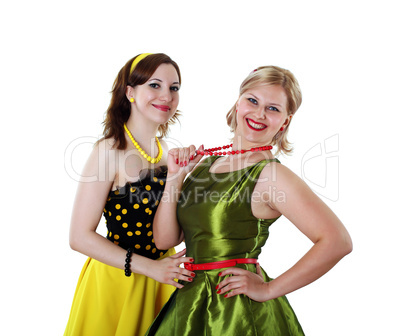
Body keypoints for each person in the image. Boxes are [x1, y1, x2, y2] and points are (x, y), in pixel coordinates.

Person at [146, 66, 353, 335]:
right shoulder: (207, 164)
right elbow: (165, 240)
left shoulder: (271, 174)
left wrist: (269, 289)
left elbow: (337, 241)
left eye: (273, 108)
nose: (259, 114)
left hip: (235, 310)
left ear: (285, 122)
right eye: (252, 101)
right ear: (238, 103)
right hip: (190, 302)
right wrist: (175, 177)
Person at [64, 53, 195, 336]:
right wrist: (150, 268)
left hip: (165, 281)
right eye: (155, 85)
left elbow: (171, 233)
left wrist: (182, 178)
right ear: (130, 92)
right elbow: (78, 237)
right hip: (117, 281)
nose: (167, 96)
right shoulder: (108, 150)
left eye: (174, 88)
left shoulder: (168, 154)